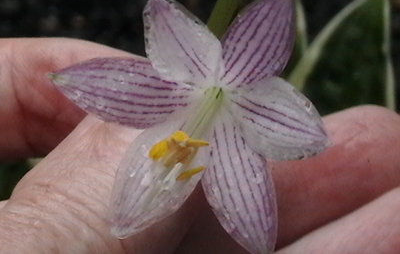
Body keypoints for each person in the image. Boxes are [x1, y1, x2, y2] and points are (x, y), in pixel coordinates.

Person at [0, 37, 399, 254]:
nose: (180, 150)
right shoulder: (176, 99)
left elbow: (306, 133)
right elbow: (93, 83)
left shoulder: (258, 117)